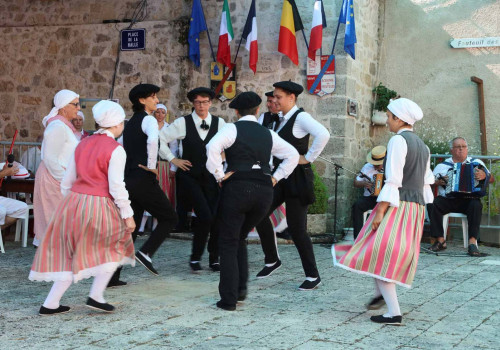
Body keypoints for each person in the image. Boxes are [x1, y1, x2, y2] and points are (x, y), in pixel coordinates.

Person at [29, 100, 136, 315]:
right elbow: (116, 186)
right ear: (117, 124)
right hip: (99, 204)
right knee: (115, 247)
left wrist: (71, 202)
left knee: (71, 252)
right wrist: (128, 214)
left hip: (74, 202)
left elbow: (67, 181)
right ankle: (96, 295)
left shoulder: (82, 143)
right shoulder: (116, 149)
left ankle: (50, 303)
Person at [334, 98, 434, 325]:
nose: (387, 121)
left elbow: (393, 181)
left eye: (389, 117)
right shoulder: (423, 145)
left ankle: (393, 312)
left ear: (399, 119)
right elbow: (426, 182)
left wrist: (380, 211)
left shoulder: (398, 141)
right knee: (380, 251)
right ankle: (382, 295)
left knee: (380, 252)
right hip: (415, 209)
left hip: (397, 206)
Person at [206, 91, 299, 311]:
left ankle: (229, 299)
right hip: (264, 191)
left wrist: (219, 175)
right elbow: (293, 155)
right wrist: (276, 177)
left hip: (238, 188)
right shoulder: (268, 133)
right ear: (258, 111)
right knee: (239, 238)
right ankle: (240, 290)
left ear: (237, 112)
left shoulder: (232, 128)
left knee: (228, 241)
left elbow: (211, 148)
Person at [254, 81, 330, 290]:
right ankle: (272, 259)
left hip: (297, 179)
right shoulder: (277, 119)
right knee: (259, 213)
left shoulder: (301, 117)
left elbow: (323, 134)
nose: (275, 100)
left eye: (278, 97)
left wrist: (308, 158)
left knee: (298, 230)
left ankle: (313, 276)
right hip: (278, 177)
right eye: (274, 97)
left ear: (291, 98)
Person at [109, 83, 178, 287]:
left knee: (131, 229)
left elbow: (120, 148)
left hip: (129, 179)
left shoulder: (129, 124)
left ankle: (111, 277)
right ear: (142, 100)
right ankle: (146, 252)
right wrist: (151, 166)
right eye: (153, 97)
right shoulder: (148, 120)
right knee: (170, 217)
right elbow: (153, 140)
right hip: (142, 178)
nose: (156, 101)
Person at [159, 87, 225, 272]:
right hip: (189, 177)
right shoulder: (182, 123)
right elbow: (159, 139)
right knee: (204, 215)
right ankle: (196, 257)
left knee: (215, 217)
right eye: (197, 102)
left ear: (211, 103)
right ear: (193, 104)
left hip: (212, 177)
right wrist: (173, 159)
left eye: (205, 102)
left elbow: (230, 145)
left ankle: (214, 258)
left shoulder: (220, 124)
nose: (201, 106)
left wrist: (223, 159)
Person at [429, 137, 494, 256]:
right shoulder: (442, 166)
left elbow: (491, 179)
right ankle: (440, 240)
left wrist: (485, 175)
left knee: (476, 205)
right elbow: (430, 182)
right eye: (457, 147)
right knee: (434, 203)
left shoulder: (476, 163)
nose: (461, 149)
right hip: (448, 200)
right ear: (451, 150)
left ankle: (472, 243)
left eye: (463, 147)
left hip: (468, 200)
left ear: (467, 149)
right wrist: (438, 182)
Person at [33, 89, 80, 247]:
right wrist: (64, 181)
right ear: (63, 107)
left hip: (57, 178)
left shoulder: (62, 126)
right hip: (54, 179)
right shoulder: (58, 126)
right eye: (75, 104)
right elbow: (50, 158)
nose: (78, 108)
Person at [258, 91, 290, 240]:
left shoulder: (287, 118)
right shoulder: (263, 118)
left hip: (284, 162)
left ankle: (283, 228)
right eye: (269, 101)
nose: (270, 104)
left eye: (273, 101)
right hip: (268, 162)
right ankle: (267, 226)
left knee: (283, 198)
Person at [351, 146, 386, 239]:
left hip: (384, 199)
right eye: (374, 164)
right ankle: (357, 239)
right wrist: (364, 183)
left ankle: (383, 239)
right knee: (357, 206)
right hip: (370, 198)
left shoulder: (390, 168)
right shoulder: (367, 167)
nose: (375, 166)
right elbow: (355, 182)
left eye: (378, 165)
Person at [154, 103, 177, 206]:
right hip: (151, 163)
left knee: (163, 191)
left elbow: (174, 148)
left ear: (165, 114)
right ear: (154, 113)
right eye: (158, 112)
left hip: (164, 164)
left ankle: (160, 220)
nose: (160, 114)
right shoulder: (150, 126)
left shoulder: (169, 128)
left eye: (162, 112)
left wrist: (173, 168)